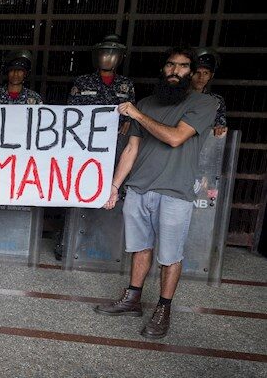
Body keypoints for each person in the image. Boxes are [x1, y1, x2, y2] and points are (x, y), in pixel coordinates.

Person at [94, 45, 215, 339]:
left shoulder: (204, 104)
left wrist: (136, 113)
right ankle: (133, 297)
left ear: (193, 72)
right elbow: (132, 149)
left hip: (174, 192)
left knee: (170, 255)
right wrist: (114, 186)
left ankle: (163, 308)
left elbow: (175, 137)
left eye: (183, 66)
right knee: (140, 247)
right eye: (171, 65)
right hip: (138, 188)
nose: (175, 71)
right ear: (163, 69)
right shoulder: (148, 103)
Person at [55, 34, 136, 260]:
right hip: (84, 149)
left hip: (114, 150)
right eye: (103, 52)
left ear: (120, 57)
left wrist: (127, 124)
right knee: (76, 193)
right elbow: (71, 115)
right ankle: (67, 244)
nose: (107, 57)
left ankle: (105, 245)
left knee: (111, 196)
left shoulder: (126, 85)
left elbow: (131, 117)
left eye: (113, 53)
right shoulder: (82, 83)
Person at [191, 47, 227, 136]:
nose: (201, 77)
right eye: (197, 72)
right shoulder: (179, 97)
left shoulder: (216, 100)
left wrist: (219, 128)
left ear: (211, 76)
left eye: (206, 73)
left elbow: (220, 125)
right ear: (190, 73)